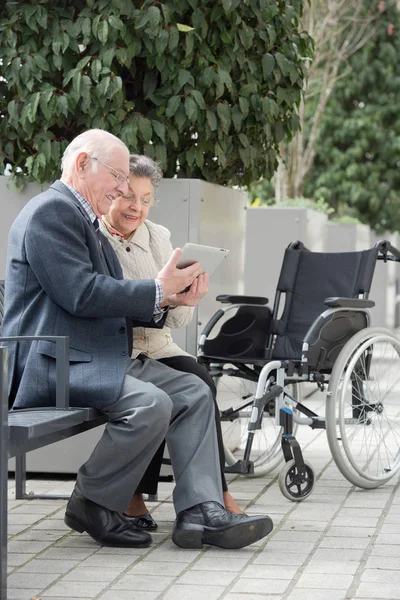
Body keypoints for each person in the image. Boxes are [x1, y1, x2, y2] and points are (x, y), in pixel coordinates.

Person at [2, 129, 273, 550]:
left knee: (192, 389)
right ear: (81, 165)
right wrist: (156, 290)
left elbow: (107, 297)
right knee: (151, 403)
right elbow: (82, 292)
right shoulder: (50, 213)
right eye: (117, 175)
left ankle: (201, 511)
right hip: (54, 362)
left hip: (93, 353)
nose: (124, 188)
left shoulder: (83, 219)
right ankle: (91, 500)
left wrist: (169, 299)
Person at [99, 154, 243, 529]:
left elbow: (175, 320)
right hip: (119, 348)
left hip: (158, 344)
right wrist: (159, 295)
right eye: (129, 196)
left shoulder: (159, 238)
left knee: (199, 380)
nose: (136, 207)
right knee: (162, 392)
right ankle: (133, 494)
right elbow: (103, 301)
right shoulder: (94, 236)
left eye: (146, 199)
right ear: (112, 192)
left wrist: (186, 300)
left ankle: (213, 494)